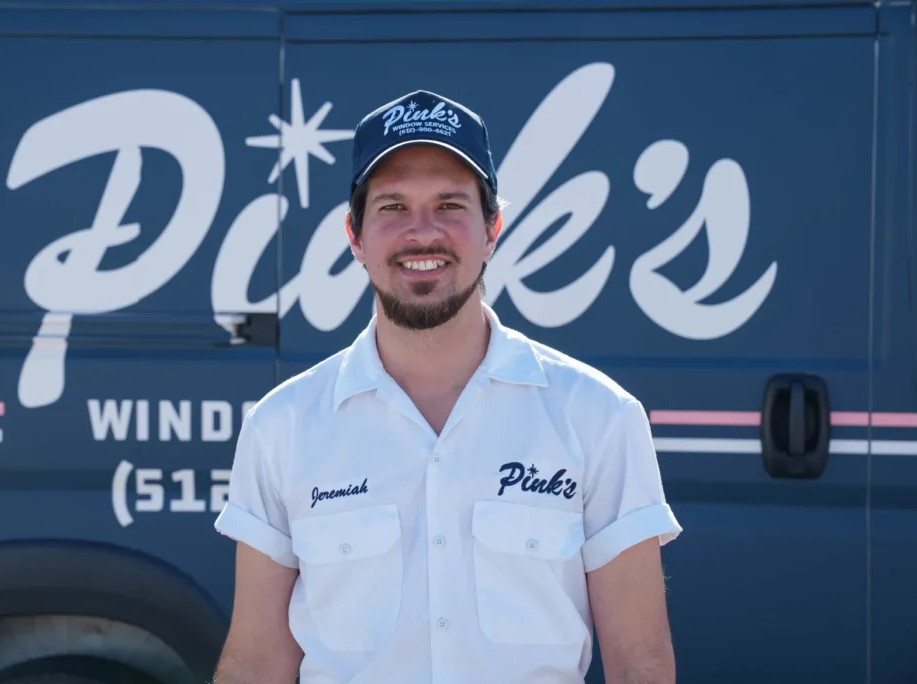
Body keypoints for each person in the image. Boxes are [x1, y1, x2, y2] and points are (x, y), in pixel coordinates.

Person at [211, 89, 683, 684]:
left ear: (492, 230)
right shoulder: (282, 426)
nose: (422, 233)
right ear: (354, 235)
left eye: (450, 205)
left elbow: (640, 660)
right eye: (393, 207)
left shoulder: (598, 416)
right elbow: (255, 660)